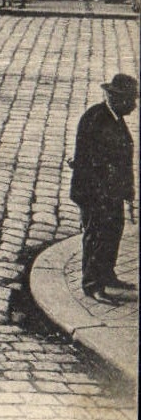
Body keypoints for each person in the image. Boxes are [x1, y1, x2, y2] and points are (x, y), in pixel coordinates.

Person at [69, 73, 138, 301]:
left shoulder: (114, 117)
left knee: (113, 232)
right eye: (131, 100)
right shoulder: (95, 118)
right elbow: (90, 160)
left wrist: (126, 190)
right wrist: (105, 192)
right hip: (94, 192)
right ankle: (92, 284)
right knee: (97, 235)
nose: (134, 106)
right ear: (116, 98)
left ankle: (107, 275)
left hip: (111, 192)